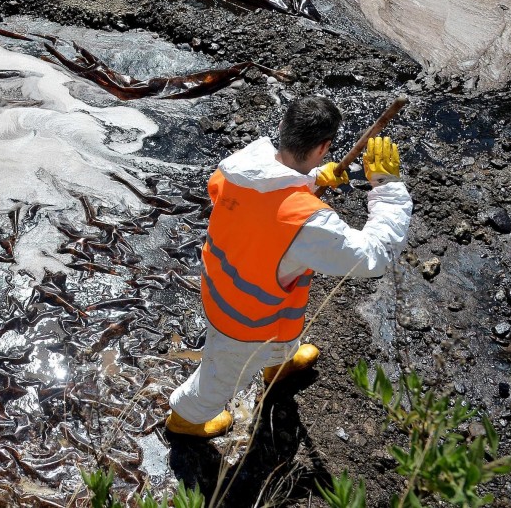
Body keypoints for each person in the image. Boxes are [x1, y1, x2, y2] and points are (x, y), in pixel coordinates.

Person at [166, 95, 413, 437]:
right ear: (324, 147)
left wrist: (310, 179)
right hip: (241, 321)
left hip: (228, 286)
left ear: (283, 127)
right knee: (220, 376)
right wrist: (388, 189)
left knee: (282, 332)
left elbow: (266, 196)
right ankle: (186, 419)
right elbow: (374, 256)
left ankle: (278, 365)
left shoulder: (240, 167)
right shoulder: (307, 224)